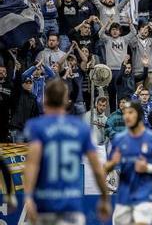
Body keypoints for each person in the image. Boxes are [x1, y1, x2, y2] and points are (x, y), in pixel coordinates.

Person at [22, 79, 111, 224]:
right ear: (66, 101)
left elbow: (32, 164)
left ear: (45, 99)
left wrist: (28, 196)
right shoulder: (81, 128)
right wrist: (105, 198)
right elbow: (97, 168)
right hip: (71, 206)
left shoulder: (36, 126)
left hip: (44, 205)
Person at [103, 101, 152, 225]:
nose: (126, 116)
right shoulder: (118, 139)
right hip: (123, 197)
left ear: (139, 115)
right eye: (124, 113)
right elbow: (106, 167)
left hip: (144, 196)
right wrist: (112, 163)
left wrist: (148, 168)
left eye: (130, 113)